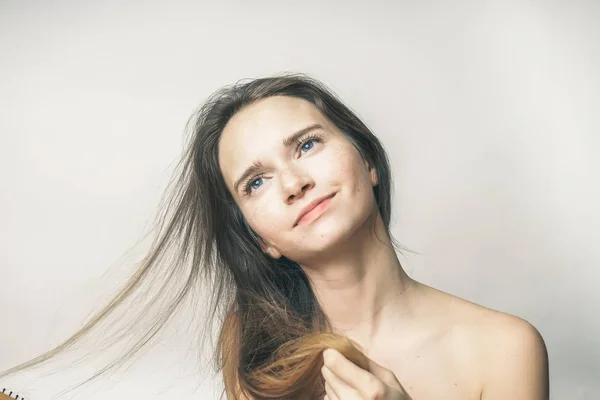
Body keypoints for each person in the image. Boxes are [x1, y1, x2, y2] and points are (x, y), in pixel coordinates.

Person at [1, 74, 549, 399]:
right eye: (256, 181)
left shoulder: (505, 349)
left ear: (368, 159)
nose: (293, 183)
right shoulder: (258, 348)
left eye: (307, 145)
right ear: (262, 239)